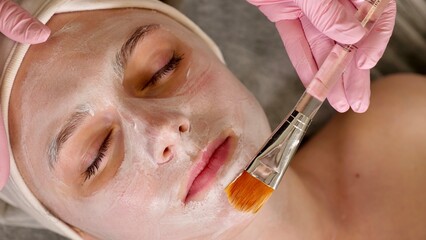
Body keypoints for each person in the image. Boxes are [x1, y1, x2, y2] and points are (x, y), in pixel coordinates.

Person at [4, 0, 424, 240]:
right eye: (96, 154)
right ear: (84, 233)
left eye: (162, 68)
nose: (165, 129)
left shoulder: (407, 124)